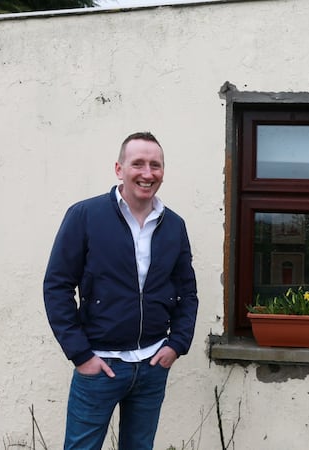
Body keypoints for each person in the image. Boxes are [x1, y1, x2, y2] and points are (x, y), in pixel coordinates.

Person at [43, 131, 199, 449]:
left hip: (152, 365)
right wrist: (81, 355)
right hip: (100, 365)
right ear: (119, 169)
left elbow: (187, 292)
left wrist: (177, 344)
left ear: (163, 172)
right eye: (137, 163)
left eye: (155, 165)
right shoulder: (85, 216)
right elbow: (57, 286)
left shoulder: (174, 225)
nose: (147, 173)